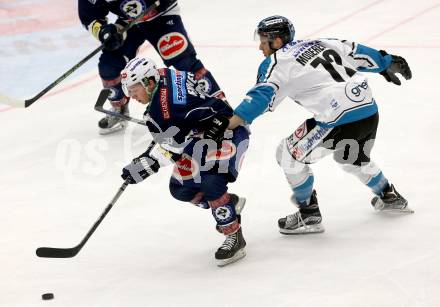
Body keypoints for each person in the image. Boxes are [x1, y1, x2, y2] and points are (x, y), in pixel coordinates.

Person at [209, 15, 414, 235]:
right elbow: (358, 52)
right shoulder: (321, 42)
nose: (260, 46)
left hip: (338, 118)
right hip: (368, 110)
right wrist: (387, 62)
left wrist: (231, 122)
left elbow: (261, 97)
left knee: (287, 154)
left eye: (263, 40)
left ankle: (309, 215)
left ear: (277, 41)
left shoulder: (276, 63)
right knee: (352, 158)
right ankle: (388, 195)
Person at [119, 56, 249, 266]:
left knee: (210, 180)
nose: (132, 96)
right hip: (200, 136)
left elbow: (172, 147)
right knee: (180, 188)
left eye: (134, 90)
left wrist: (145, 165)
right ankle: (227, 204)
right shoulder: (163, 74)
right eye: (129, 91)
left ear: (149, 83)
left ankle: (233, 236)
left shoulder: (164, 110)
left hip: (228, 133)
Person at [78, 0, 225, 134]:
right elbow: (90, 17)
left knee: (184, 62)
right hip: (128, 21)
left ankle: (220, 111)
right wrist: (104, 32)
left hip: (161, 14)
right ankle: (119, 107)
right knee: (108, 65)